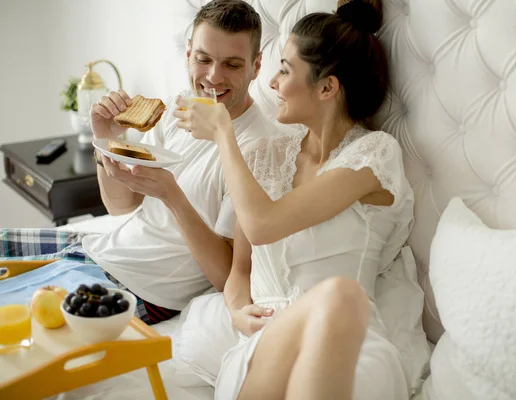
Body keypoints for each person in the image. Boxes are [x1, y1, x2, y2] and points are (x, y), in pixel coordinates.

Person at [174, 0, 415, 398]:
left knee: (340, 297)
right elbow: (240, 269)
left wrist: (222, 133)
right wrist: (235, 309)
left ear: (326, 87)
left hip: (347, 343)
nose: (271, 83)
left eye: (284, 70)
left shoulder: (373, 155)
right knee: (336, 299)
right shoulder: (263, 158)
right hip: (267, 345)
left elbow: (264, 223)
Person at [0, 0, 277, 326]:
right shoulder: (176, 109)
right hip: (100, 251)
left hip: (137, 287)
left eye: (232, 64)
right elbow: (121, 206)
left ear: (256, 66)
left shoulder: (258, 148)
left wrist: (173, 196)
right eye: (204, 59)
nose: (213, 77)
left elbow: (228, 275)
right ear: (188, 55)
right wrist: (104, 140)